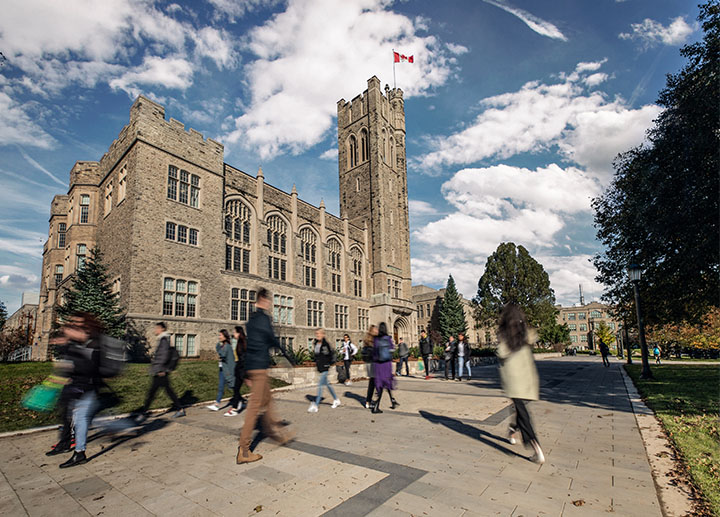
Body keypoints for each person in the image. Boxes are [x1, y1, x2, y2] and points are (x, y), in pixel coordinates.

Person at [237, 288, 295, 464]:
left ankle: (277, 434)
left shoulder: (251, 320)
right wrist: (286, 355)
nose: (270, 304)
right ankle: (244, 450)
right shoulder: (263, 319)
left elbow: (251, 344)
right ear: (262, 299)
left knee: (268, 401)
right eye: (268, 300)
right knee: (255, 407)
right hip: (260, 367)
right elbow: (271, 339)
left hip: (252, 366)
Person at [52, 313, 106, 468]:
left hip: (87, 387)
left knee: (81, 418)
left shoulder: (94, 343)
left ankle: (79, 451)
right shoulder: (80, 343)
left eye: (77, 324)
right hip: (78, 386)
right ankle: (71, 446)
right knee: (75, 416)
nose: (72, 327)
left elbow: (89, 367)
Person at [497, 304, 545, 464]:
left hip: (514, 382)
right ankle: (512, 430)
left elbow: (501, 352)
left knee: (523, 415)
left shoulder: (506, 337)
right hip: (529, 380)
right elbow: (534, 336)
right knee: (521, 409)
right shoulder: (525, 334)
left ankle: (536, 446)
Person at [138, 322, 185, 421]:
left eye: (157, 328)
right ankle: (180, 409)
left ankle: (143, 413)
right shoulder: (163, 339)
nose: (155, 330)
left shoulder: (164, 340)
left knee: (152, 392)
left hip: (160, 371)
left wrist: (160, 369)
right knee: (166, 390)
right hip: (161, 370)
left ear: (162, 329)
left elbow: (163, 356)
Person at [308, 329, 342, 412]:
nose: (317, 335)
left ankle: (316, 405)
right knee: (327, 384)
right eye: (316, 333)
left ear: (323, 334)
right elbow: (317, 356)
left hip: (325, 367)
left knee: (320, 385)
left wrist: (328, 364)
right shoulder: (316, 343)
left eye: (319, 333)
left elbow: (329, 355)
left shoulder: (325, 345)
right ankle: (336, 400)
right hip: (320, 367)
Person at [372, 322, 398, 413]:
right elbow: (392, 350)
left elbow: (374, 352)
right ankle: (376, 406)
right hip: (386, 365)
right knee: (385, 384)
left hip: (378, 365)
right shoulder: (388, 339)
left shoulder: (376, 339)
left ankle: (393, 401)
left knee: (382, 385)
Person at [208, 330, 235, 411]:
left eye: (220, 335)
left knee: (232, 387)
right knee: (221, 387)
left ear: (225, 337)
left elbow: (222, 355)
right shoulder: (224, 346)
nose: (219, 337)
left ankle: (239, 400)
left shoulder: (227, 347)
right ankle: (217, 404)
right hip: (222, 369)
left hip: (227, 370)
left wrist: (217, 347)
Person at [225, 326, 248, 416]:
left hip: (242, 369)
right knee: (236, 388)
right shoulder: (238, 342)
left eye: (234, 332)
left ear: (239, 333)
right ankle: (239, 403)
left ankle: (235, 408)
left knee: (236, 388)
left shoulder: (243, 343)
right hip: (239, 368)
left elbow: (244, 357)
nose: (233, 334)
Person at [363, 325, 378, 409]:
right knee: (373, 383)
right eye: (375, 330)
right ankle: (369, 401)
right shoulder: (370, 341)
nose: (377, 331)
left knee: (372, 383)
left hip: (372, 364)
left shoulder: (373, 340)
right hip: (372, 364)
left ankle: (369, 401)